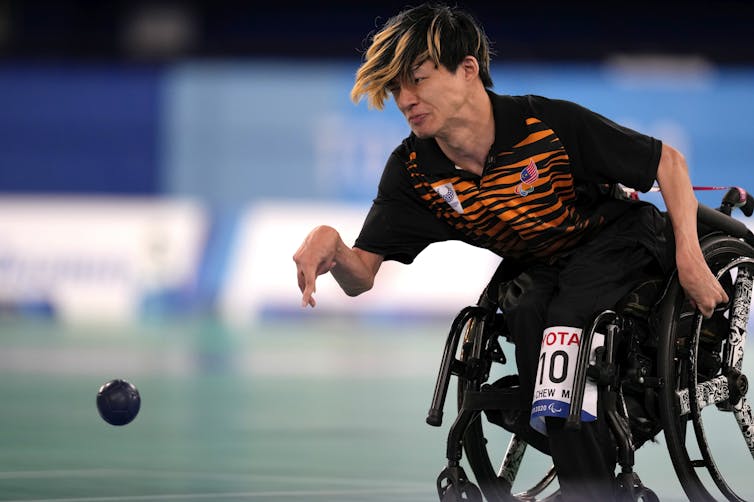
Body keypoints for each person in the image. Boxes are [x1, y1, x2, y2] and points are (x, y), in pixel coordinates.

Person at [293, 3, 728, 500]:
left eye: (417, 79)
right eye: (395, 89)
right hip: (540, 265)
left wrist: (689, 260)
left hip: (617, 241)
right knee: (525, 311)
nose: (405, 99)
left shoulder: (547, 125)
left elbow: (668, 164)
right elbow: (361, 277)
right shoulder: (415, 172)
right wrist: (334, 245)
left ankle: (589, 478)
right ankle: (584, 459)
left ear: (469, 69)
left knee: (564, 321)